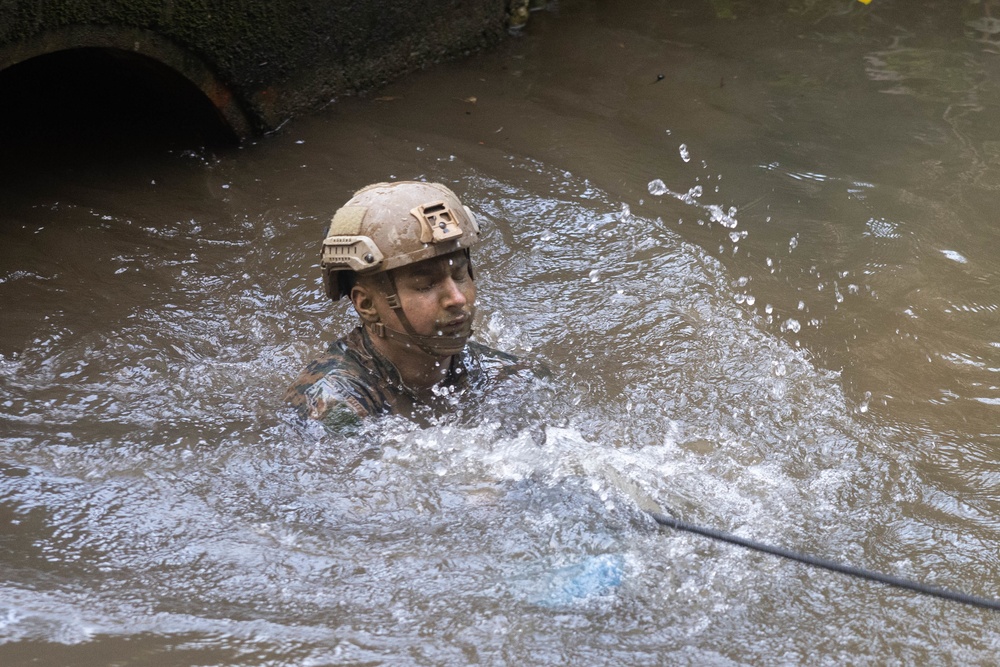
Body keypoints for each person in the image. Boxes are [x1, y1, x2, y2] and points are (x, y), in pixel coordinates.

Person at [285, 181, 536, 431]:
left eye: (460, 275)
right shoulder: (332, 404)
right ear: (367, 304)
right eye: (426, 284)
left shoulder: (510, 376)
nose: (457, 298)